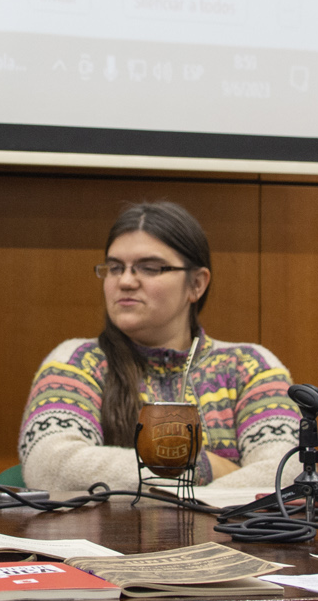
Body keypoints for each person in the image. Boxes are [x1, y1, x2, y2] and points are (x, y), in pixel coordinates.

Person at [18, 201, 301, 491]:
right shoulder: (77, 361)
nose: (125, 281)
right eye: (115, 268)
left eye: (149, 268)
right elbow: (49, 465)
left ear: (197, 284)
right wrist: (201, 468)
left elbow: (288, 471)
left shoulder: (249, 366)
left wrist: (181, 497)